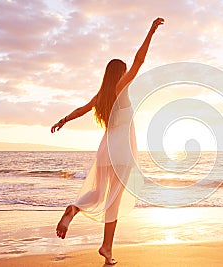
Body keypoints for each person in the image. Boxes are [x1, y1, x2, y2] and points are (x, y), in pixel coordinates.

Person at [51, 17, 164, 265]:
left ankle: (74, 211)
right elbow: (140, 61)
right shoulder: (120, 88)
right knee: (113, 199)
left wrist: (63, 120)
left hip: (105, 151)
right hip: (121, 153)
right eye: (124, 71)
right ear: (120, 74)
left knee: (98, 192)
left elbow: (82, 109)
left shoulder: (102, 95)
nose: (127, 73)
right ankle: (106, 247)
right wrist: (151, 31)